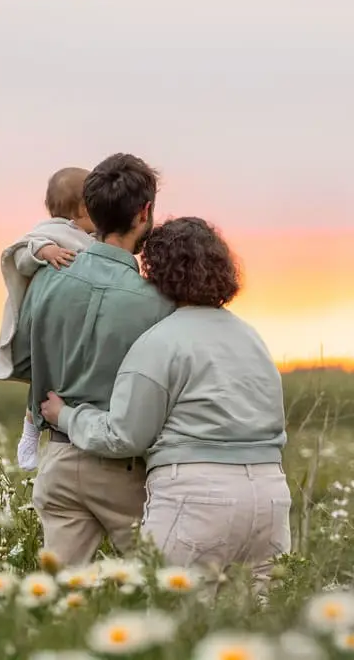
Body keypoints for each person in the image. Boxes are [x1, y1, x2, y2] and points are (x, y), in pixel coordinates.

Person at [39, 217, 289, 590]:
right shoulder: (250, 337)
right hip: (271, 496)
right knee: (257, 625)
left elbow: (124, 436)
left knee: (174, 619)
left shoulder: (159, 342)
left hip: (197, 497)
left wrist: (67, 416)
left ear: (158, 274)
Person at [9, 153, 174, 565]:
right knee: (161, 585)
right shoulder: (157, 303)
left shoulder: (45, 279)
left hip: (59, 461)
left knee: (56, 602)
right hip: (124, 469)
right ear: (145, 212)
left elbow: (24, 361)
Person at [0, 167, 98, 471]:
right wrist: (44, 250)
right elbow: (20, 253)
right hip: (46, 323)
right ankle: (30, 431)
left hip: (67, 322)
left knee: (49, 380)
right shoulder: (51, 233)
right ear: (82, 209)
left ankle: (38, 428)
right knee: (44, 377)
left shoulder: (87, 237)